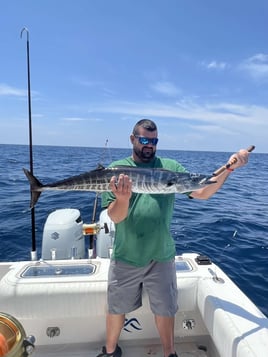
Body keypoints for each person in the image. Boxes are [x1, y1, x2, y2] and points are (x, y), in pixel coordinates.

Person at [97, 119, 250, 357]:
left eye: (154, 141)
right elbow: (115, 217)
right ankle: (109, 351)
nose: (150, 145)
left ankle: (169, 353)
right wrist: (123, 199)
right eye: (145, 140)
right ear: (132, 139)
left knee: (166, 309)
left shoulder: (170, 167)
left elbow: (202, 191)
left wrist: (229, 168)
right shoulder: (117, 170)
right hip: (126, 253)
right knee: (116, 309)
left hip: (162, 255)